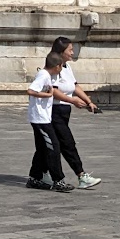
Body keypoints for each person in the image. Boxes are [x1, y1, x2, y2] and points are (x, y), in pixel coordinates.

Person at [49, 37, 102, 188]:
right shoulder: (54, 67)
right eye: (70, 50)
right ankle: (81, 175)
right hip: (54, 111)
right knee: (67, 143)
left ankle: (37, 175)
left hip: (65, 112)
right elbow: (54, 91)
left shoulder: (67, 67)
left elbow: (74, 86)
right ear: (61, 52)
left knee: (51, 146)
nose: (73, 53)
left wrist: (88, 101)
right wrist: (73, 100)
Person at [25, 52, 73, 190]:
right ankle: (58, 180)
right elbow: (31, 90)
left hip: (43, 118)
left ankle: (34, 178)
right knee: (54, 147)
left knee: (42, 148)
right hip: (40, 119)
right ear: (58, 66)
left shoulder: (46, 75)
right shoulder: (44, 75)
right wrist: (48, 94)